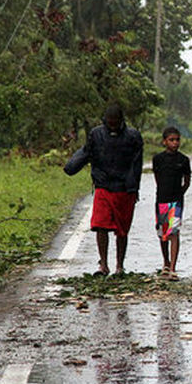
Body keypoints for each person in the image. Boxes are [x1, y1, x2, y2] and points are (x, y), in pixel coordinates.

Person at [64, 104, 143, 275]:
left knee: (122, 230)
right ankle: (103, 264)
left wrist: (134, 187)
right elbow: (86, 153)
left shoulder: (133, 137)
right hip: (103, 186)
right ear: (105, 121)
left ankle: (119, 266)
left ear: (122, 121)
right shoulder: (96, 134)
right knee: (100, 225)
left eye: (115, 123)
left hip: (124, 189)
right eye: (110, 123)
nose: (112, 126)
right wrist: (72, 167)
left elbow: (137, 165)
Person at [152, 126, 191, 280]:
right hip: (161, 200)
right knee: (163, 233)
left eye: (177, 140)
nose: (175, 143)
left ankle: (173, 268)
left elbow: (187, 181)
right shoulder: (158, 159)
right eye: (171, 140)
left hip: (177, 202)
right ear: (164, 141)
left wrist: (179, 194)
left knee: (174, 232)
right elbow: (157, 178)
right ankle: (166, 262)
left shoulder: (183, 160)